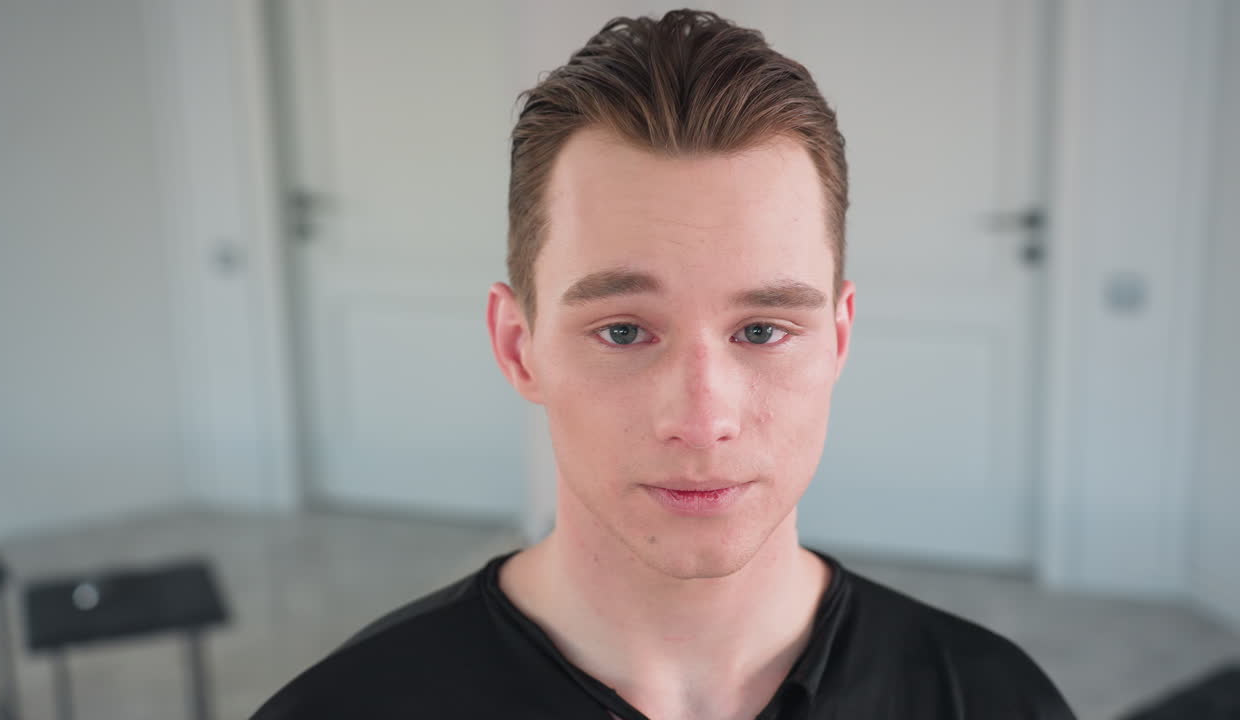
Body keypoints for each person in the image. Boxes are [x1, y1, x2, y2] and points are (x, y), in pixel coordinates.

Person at [252, 9, 1075, 719]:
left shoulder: (993, 698)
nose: (702, 418)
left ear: (839, 338)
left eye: (761, 330)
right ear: (518, 347)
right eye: (622, 332)